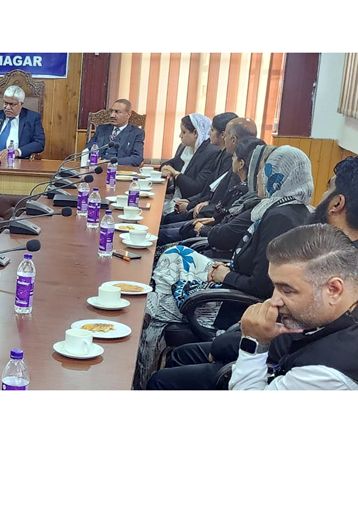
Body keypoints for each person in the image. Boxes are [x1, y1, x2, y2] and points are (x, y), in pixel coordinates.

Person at [148, 157, 358, 390]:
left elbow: (284, 326)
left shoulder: (329, 371)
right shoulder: (321, 246)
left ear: (337, 203)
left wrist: (249, 343)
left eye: (328, 188)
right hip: (269, 344)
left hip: (266, 353)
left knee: (162, 376)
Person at [230, 223, 358, 390]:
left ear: (333, 290)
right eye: (274, 286)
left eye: (287, 290)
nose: (274, 300)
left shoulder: (327, 374)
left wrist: (253, 342)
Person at [157, 136, 264, 248]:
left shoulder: (244, 192)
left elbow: (228, 230)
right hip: (211, 222)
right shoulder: (240, 184)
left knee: (160, 234)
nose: (232, 159)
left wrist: (203, 228)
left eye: (234, 156)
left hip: (211, 237)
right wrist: (211, 214)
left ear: (241, 164)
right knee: (162, 229)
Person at [170, 113, 245, 218]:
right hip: (202, 206)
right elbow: (208, 189)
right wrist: (190, 201)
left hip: (209, 214)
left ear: (223, 135)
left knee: (167, 221)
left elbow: (218, 196)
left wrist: (190, 205)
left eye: (212, 130)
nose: (209, 133)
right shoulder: (221, 154)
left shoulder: (230, 160)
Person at [160, 114, 220, 213]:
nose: (180, 136)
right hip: (174, 196)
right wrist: (165, 168)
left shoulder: (211, 152)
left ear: (195, 133)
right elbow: (171, 162)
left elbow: (196, 187)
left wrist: (175, 174)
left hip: (189, 203)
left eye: (183, 132)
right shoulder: (184, 147)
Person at [0, 85, 45, 161]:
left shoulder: (32, 118)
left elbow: (39, 143)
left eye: (12, 104)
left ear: (21, 104)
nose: (7, 107)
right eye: (5, 103)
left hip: (18, 162)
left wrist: (16, 152)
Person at [85, 98, 144, 166]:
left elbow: (137, 158)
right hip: (96, 168)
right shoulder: (101, 129)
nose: (112, 115)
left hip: (119, 169)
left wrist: (110, 162)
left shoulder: (137, 133)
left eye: (117, 112)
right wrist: (94, 160)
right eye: (111, 111)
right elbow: (86, 151)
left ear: (128, 115)